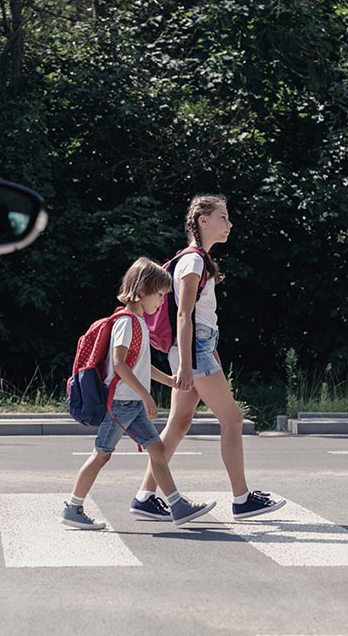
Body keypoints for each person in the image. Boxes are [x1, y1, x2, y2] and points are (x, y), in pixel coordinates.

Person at [130, 195, 286, 522]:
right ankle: (242, 499)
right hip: (193, 350)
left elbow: (197, 317)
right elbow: (184, 315)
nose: (229, 224)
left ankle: (145, 497)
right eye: (223, 217)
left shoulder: (198, 261)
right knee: (232, 420)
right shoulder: (194, 261)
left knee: (179, 423)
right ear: (203, 220)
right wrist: (188, 364)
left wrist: (204, 352)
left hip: (198, 348)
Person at [61, 257, 217, 530]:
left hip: (129, 403)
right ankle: (73, 507)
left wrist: (169, 381)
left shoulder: (139, 323)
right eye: (159, 295)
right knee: (101, 455)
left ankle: (177, 506)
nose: (161, 302)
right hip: (120, 404)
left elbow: (141, 366)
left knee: (157, 449)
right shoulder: (126, 322)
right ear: (142, 290)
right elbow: (120, 365)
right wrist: (146, 396)